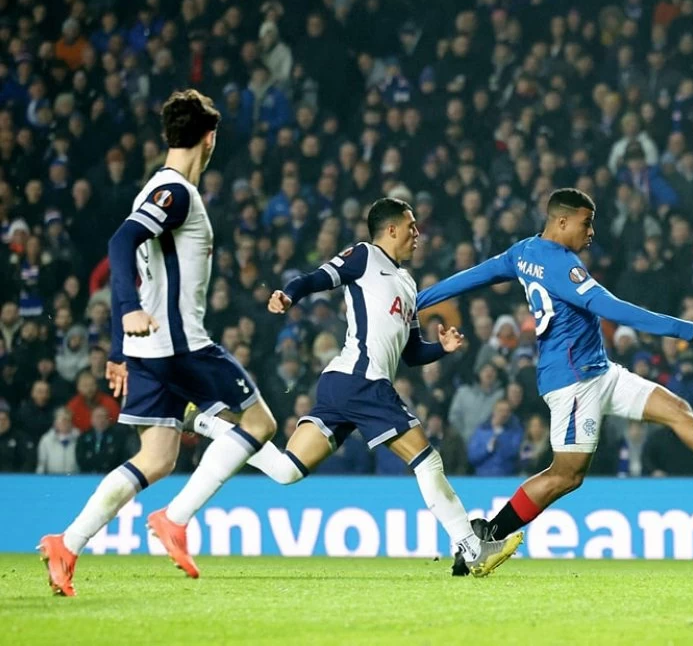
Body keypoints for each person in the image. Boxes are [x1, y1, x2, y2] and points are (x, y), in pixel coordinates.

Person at [416, 188, 693, 576]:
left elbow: (477, 275)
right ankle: (484, 537)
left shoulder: (523, 252)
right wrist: (676, 328)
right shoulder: (564, 267)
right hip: (572, 383)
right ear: (561, 221)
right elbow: (609, 307)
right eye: (586, 223)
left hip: (600, 370)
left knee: (676, 410)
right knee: (566, 475)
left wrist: (421, 298)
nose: (592, 232)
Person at [184, 197, 523, 577]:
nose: (418, 234)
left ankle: (206, 421)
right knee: (427, 461)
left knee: (286, 469)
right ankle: (469, 545)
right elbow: (316, 278)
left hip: (344, 384)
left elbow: (411, 354)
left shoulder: (408, 284)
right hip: (362, 380)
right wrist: (289, 294)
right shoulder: (364, 256)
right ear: (391, 229)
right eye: (412, 227)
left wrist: (440, 349)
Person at [38, 90, 278, 597]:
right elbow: (120, 243)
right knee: (260, 423)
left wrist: (121, 348)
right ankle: (175, 517)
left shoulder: (157, 188)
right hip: (181, 345)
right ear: (209, 139)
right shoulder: (175, 193)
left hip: (149, 349)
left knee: (158, 458)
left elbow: (145, 275)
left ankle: (68, 543)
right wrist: (125, 314)